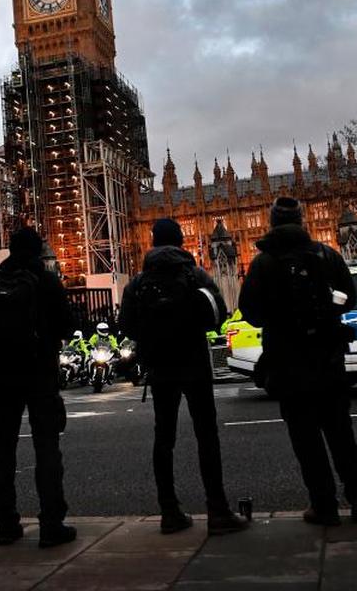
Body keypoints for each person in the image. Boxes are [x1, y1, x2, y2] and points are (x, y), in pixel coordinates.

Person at [239, 196, 357, 525]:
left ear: (271, 222)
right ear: (302, 221)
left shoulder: (264, 263)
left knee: (306, 440)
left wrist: (278, 316)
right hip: (328, 358)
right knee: (341, 433)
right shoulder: (326, 254)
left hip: (288, 363)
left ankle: (323, 506)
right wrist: (326, 313)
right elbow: (349, 298)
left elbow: (251, 313)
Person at [119, 218, 249, 535]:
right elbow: (219, 314)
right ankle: (218, 512)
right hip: (194, 364)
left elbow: (126, 327)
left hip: (160, 369)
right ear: (180, 242)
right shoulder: (195, 274)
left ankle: (169, 512)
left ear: (152, 243)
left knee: (164, 439)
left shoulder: (138, 282)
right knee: (207, 436)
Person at [0, 227, 77, 548]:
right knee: (46, 447)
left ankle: (7, 525)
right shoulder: (47, 281)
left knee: (3, 450)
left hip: (0, 377)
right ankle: (51, 524)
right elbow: (67, 324)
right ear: (37, 251)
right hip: (39, 374)